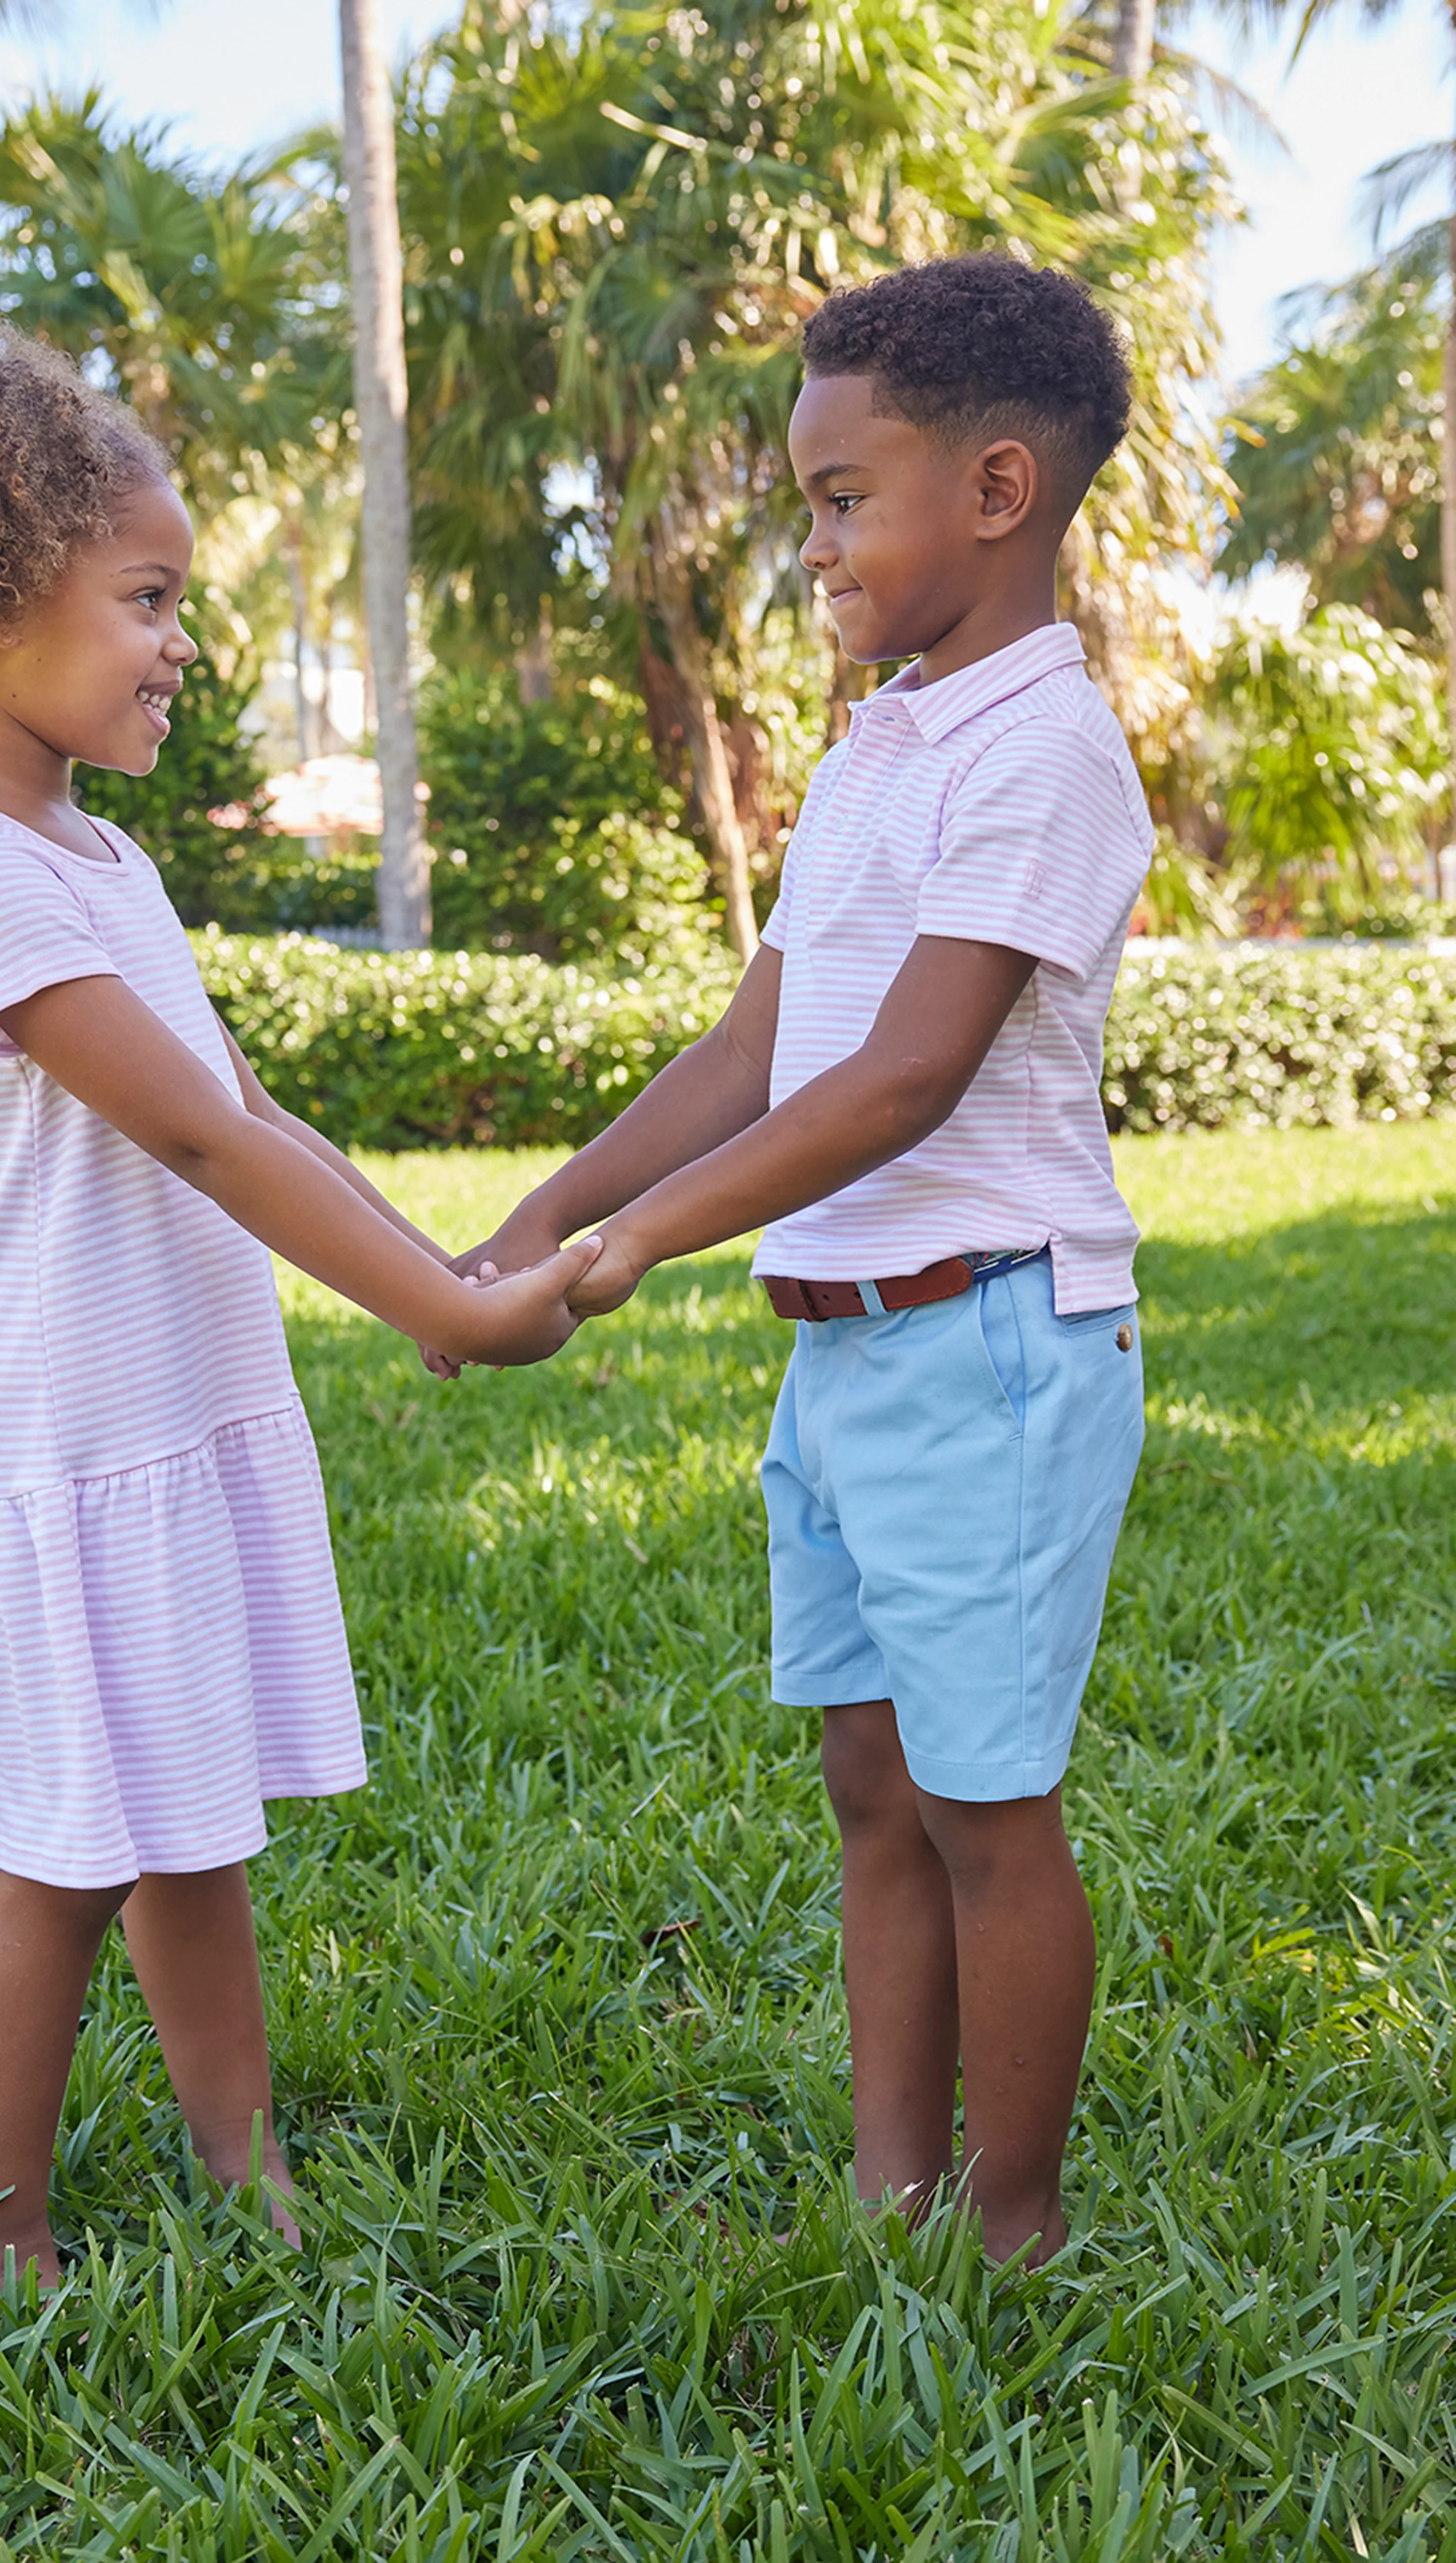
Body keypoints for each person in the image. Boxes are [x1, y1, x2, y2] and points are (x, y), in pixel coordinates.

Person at [0, 302, 599, 2292]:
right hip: (64, 1431)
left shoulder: (98, 855)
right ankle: (4, 2237)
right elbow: (199, 1150)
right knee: (63, 1860)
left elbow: (254, 1107)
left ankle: (251, 2178)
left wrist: (428, 1274)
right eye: (148, 599)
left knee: (196, 1829)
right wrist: (464, 1316)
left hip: (169, 1406)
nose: (180, 648)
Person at [458, 257, 1153, 2266]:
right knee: (875, 1788)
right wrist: (558, 1205)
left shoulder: (1047, 753)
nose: (818, 545)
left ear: (998, 489)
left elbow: (910, 1078)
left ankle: (1011, 2230)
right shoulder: (878, 747)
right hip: (845, 1358)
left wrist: (648, 1246)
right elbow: (762, 1046)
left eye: (847, 500)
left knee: (983, 1808)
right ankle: (892, 2193)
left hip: (993, 1345)